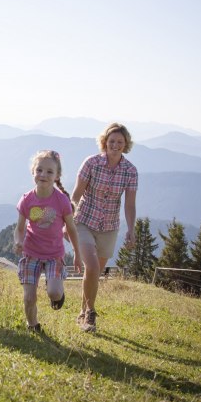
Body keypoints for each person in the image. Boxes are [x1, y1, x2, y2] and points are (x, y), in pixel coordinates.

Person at [71, 122, 137, 333]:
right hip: (84, 221)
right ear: (104, 143)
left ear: (125, 144)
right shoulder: (91, 163)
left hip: (109, 226)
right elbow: (76, 195)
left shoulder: (130, 171)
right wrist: (68, 221)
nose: (115, 145)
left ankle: (82, 312)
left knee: (94, 273)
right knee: (92, 267)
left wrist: (131, 229)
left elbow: (129, 204)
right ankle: (90, 314)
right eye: (111, 141)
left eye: (120, 142)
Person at [13, 150, 81, 333]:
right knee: (29, 297)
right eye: (39, 170)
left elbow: (72, 229)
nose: (43, 175)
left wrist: (77, 254)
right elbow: (20, 228)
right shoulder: (26, 200)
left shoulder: (61, 201)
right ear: (33, 172)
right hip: (31, 253)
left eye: (49, 172)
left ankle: (55, 289)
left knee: (54, 293)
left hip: (53, 255)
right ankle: (33, 326)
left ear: (57, 176)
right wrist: (18, 241)